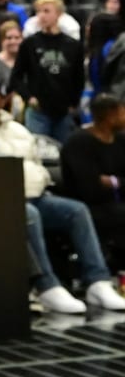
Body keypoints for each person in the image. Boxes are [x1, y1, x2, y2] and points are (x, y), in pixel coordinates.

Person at [0, 74, 125, 315]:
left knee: (76, 210)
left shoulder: (17, 128)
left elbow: (35, 161)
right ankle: (47, 285)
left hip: (36, 193)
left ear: (3, 99)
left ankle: (97, 281)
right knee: (30, 214)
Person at [57, 93, 125, 263]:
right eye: (123, 113)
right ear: (110, 116)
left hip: (114, 202)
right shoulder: (79, 142)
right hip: (86, 206)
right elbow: (90, 188)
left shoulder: (121, 140)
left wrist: (113, 182)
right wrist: (118, 183)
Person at [12, 0, 86, 144]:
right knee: (38, 154)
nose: (41, 15)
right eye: (39, 11)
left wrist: (74, 103)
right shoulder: (30, 44)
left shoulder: (73, 45)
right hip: (38, 111)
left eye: (46, 11)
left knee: (65, 154)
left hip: (64, 111)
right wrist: (29, 98)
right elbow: (16, 77)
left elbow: (79, 77)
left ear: (58, 13)